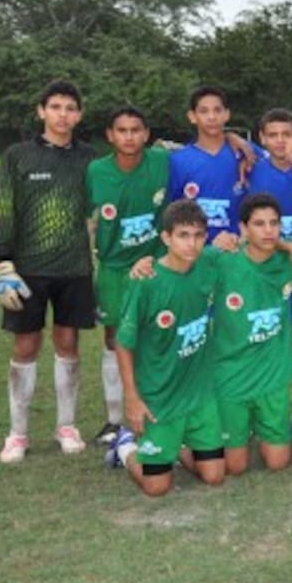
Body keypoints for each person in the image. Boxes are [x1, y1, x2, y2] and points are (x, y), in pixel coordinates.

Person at [0, 79, 97, 463]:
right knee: (26, 345)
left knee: (68, 343)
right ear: (41, 111)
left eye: (70, 108)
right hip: (27, 270)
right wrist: (3, 263)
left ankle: (66, 426)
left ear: (79, 115)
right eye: (55, 107)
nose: (62, 115)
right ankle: (17, 434)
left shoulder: (89, 158)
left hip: (74, 267)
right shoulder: (18, 156)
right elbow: (3, 206)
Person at [107, 199, 225, 496]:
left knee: (214, 476)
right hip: (160, 397)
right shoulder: (146, 280)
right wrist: (132, 398)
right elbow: (123, 343)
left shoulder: (208, 263)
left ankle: (177, 445)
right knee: (156, 487)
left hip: (199, 394)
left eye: (198, 236)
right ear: (166, 238)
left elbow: (253, 245)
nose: (192, 244)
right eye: (183, 235)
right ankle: (125, 447)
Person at [86, 105, 170, 446]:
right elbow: (84, 213)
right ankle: (114, 419)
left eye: (136, 130)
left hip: (155, 267)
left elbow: (207, 145)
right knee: (114, 338)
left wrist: (238, 141)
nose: (129, 136)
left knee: (158, 335)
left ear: (147, 134)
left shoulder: (162, 161)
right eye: (122, 130)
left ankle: (158, 407)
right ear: (110, 135)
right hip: (114, 269)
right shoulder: (96, 171)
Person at [206, 194, 292, 475]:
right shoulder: (222, 260)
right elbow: (178, 264)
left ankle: (271, 426)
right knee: (234, 468)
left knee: (278, 463)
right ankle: (186, 444)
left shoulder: (289, 260)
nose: (268, 230)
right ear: (243, 228)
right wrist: (143, 266)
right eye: (259, 224)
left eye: (274, 223)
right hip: (231, 374)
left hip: (272, 376)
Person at [167, 85, 247, 247]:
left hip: (237, 250)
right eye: (204, 111)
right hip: (196, 252)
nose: (211, 117)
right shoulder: (177, 160)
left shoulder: (246, 152)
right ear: (192, 116)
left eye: (217, 110)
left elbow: (281, 156)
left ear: (227, 114)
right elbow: (172, 211)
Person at [246, 108, 292, 246]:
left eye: (286, 134)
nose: (280, 140)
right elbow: (222, 137)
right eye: (273, 135)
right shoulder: (251, 167)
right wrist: (232, 137)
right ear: (262, 138)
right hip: (269, 254)